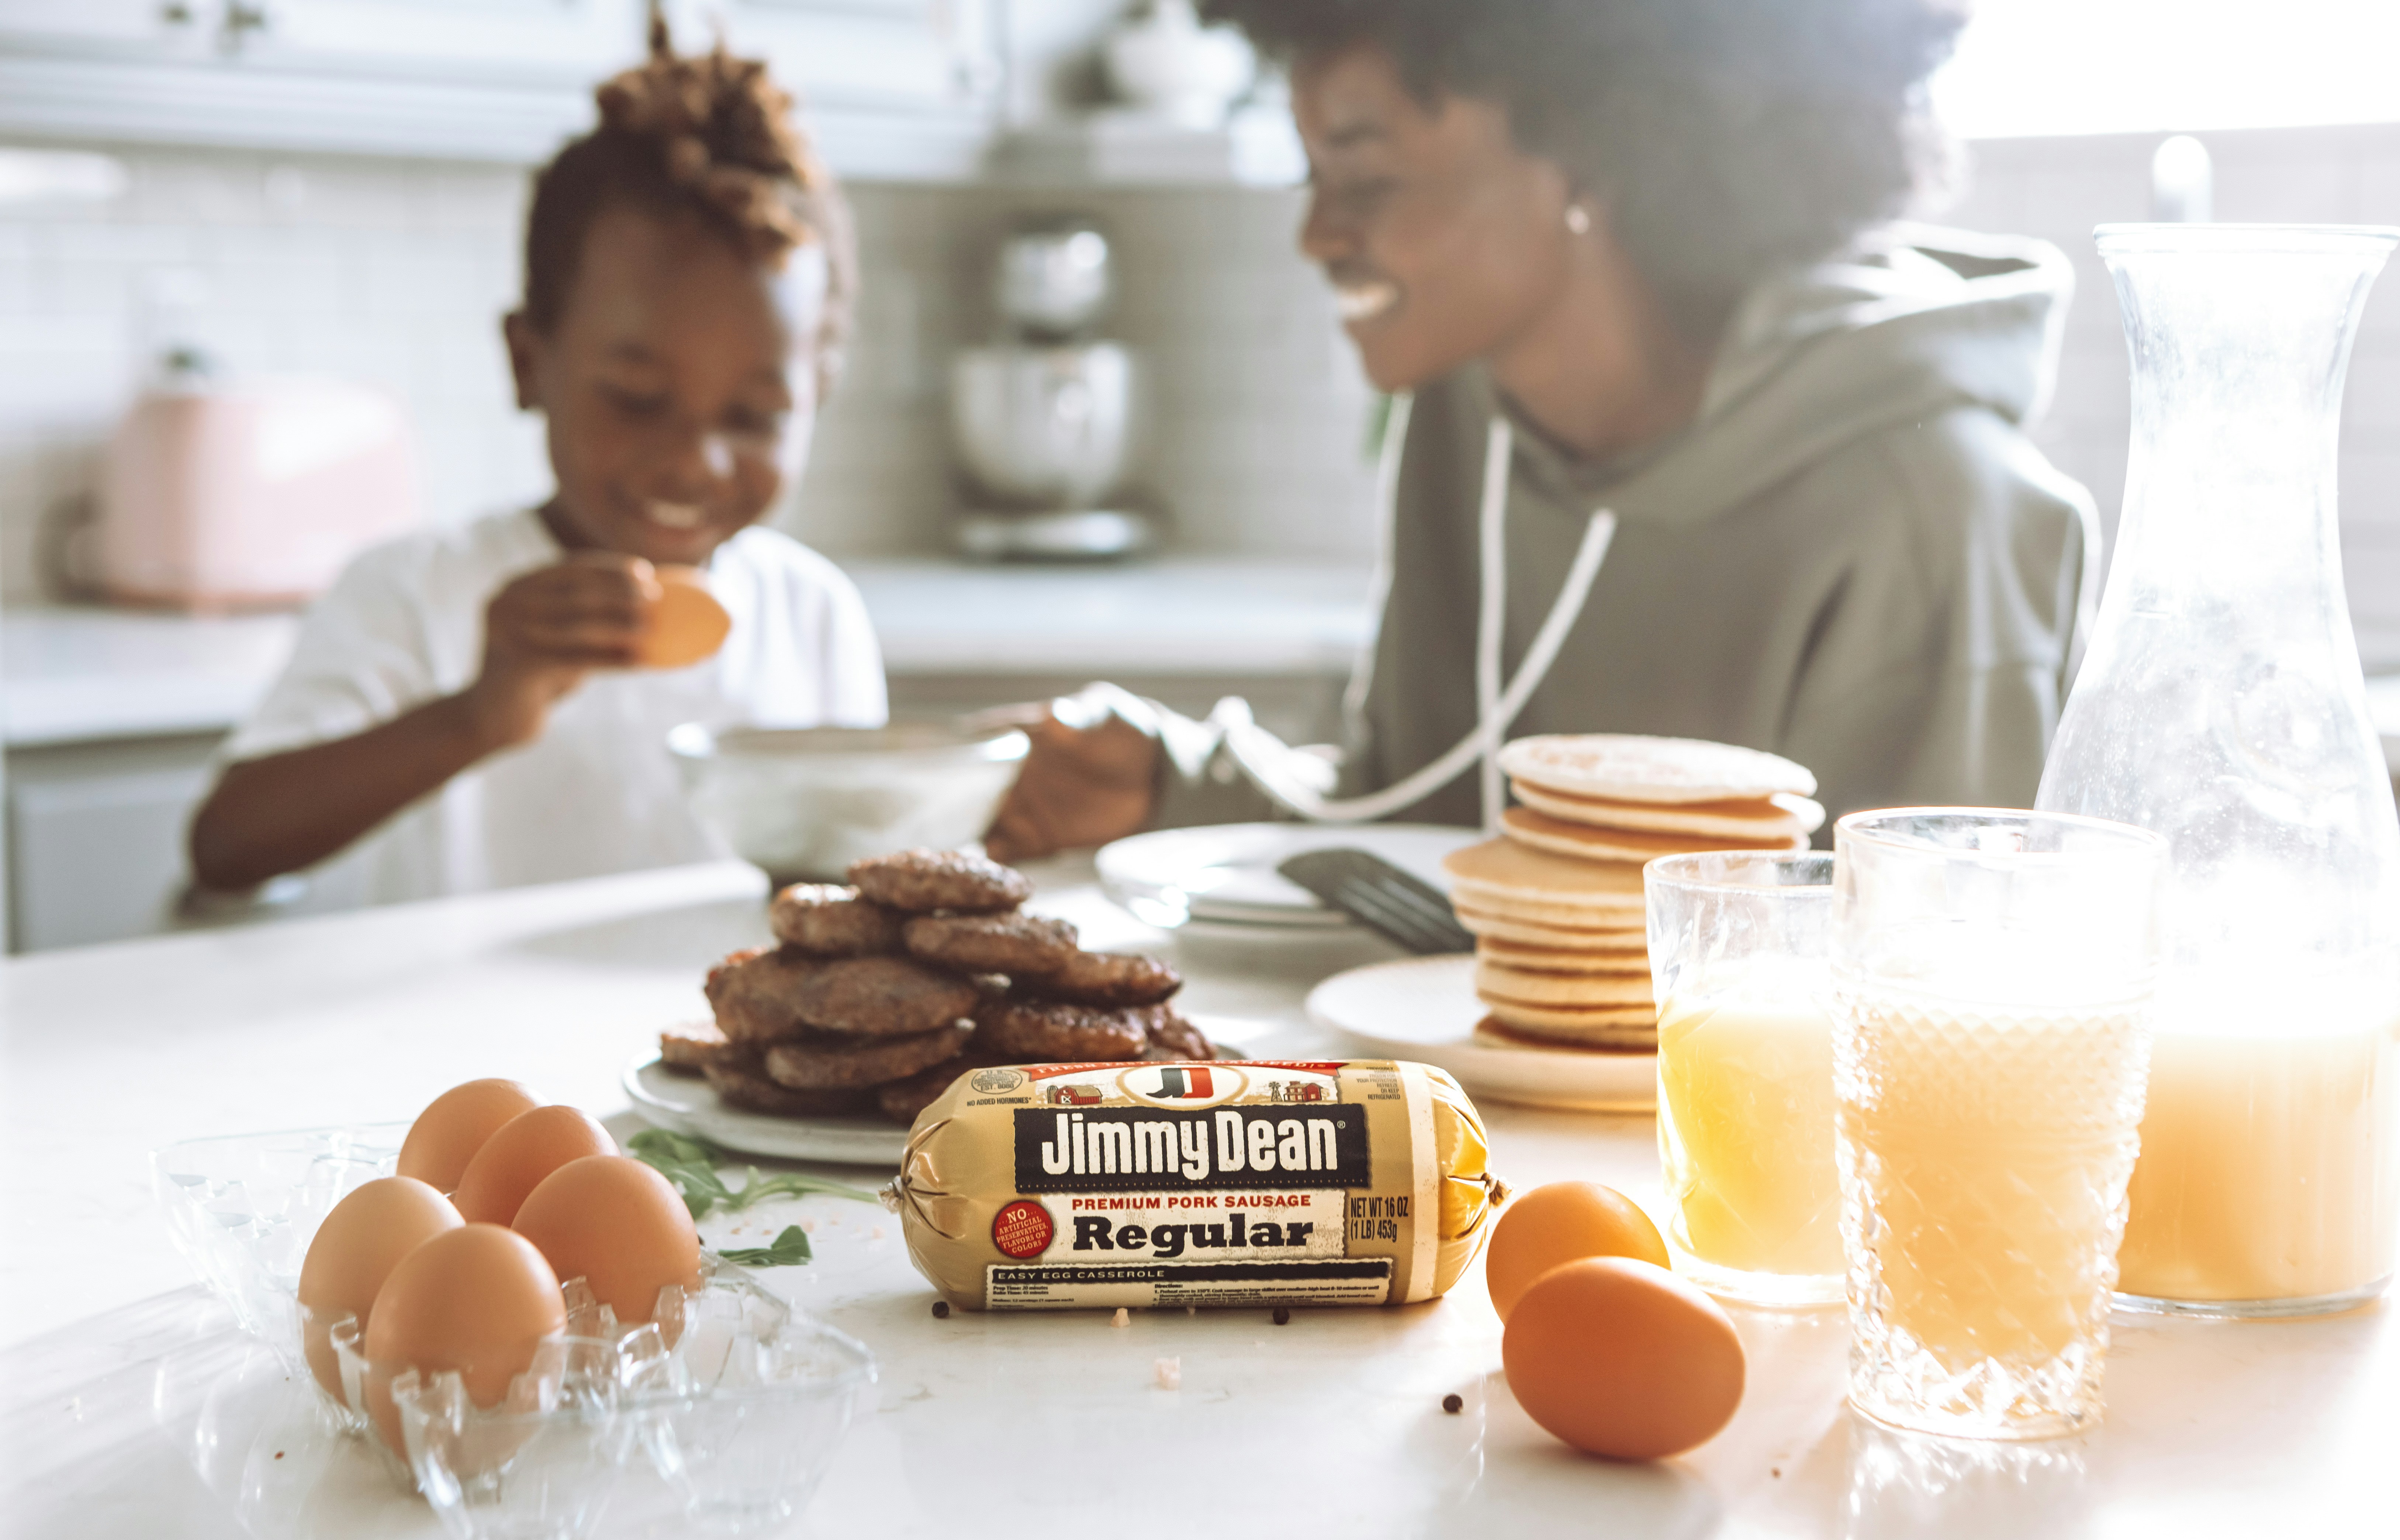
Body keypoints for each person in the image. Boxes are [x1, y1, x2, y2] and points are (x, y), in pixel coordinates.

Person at [985, 0, 2096, 861]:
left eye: (1364, 175)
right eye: (1311, 173)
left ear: (1590, 152)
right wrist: (1176, 783)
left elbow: (1928, 1005)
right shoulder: (1469, 409)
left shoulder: (1933, 512)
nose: (1317, 235)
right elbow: (1426, 827)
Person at [188, 21, 884, 902]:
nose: (694, 464)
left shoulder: (814, 617)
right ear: (528, 362)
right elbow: (225, 847)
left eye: (755, 417)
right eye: (635, 399)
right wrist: (476, 716)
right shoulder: (416, 594)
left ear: (817, 393)